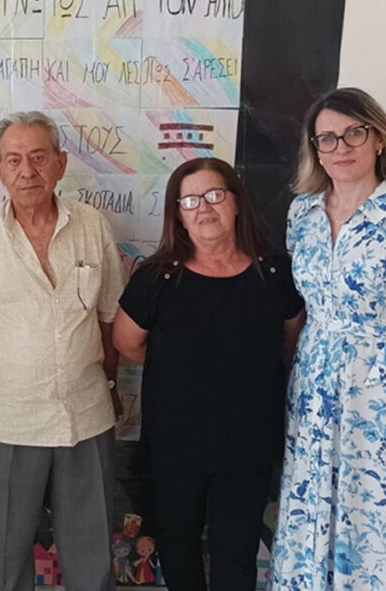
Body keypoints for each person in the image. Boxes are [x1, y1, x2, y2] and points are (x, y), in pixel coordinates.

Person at [270, 87, 386, 590]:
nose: (340, 147)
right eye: (327, 138)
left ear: (378, 140)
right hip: (313, 395)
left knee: (377, 529)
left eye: (354, 133)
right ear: (315, 149)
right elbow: (303, 308)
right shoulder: (302, 216)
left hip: (385, 406)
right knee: (312, 516)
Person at [0, 111, 126, 591]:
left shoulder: (92, 226)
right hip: (9, 424)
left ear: (60, 164)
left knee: (92, 557)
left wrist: (110, 384)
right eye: (14, 160)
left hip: (86, 417)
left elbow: (109, 317)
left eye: (39, 158)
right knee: (8, 556)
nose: (27, 171)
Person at [113, 157, 304, 591]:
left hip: (248, 444)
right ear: (178, 215)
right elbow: (127, 343)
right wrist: (188, 366)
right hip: (176, 445)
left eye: (215, 195)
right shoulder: (156, 278)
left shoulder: (275, 272)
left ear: (236, 202)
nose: (204, 208)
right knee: (178, 545)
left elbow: (290, 339)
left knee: (236, 551)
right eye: (190, 200)